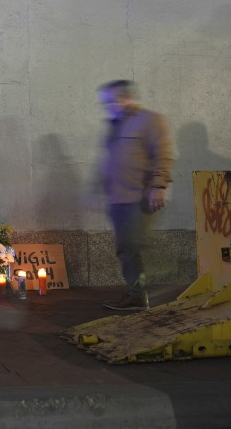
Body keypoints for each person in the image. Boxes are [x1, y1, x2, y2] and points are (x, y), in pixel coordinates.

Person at [97, 80, 174, 311]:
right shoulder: (115, 124)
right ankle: (136, 294)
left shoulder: (149, 120)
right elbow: (110, 159)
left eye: (110, 101)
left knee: (132, 246)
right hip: (118, 198)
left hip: (137, 197)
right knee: (126, 247)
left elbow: (163, 154)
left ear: (124, 98)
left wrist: (158, 186)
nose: (107, 106)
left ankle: (138, 296)